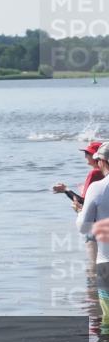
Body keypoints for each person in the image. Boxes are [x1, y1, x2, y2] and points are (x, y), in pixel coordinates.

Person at [55, 141, 104, 264]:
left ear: (95, 157)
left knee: (93, 268)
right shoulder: (105, 174)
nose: (85, 156)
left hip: (93, 225)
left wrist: (66, 190)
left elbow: (83, 201)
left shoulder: (94, 173)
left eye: (87, 153)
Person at [78, 144, 109, 330]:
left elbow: (83, 227)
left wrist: (80, 213)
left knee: (107, 321)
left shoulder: (98, 188)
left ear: (104, 161)